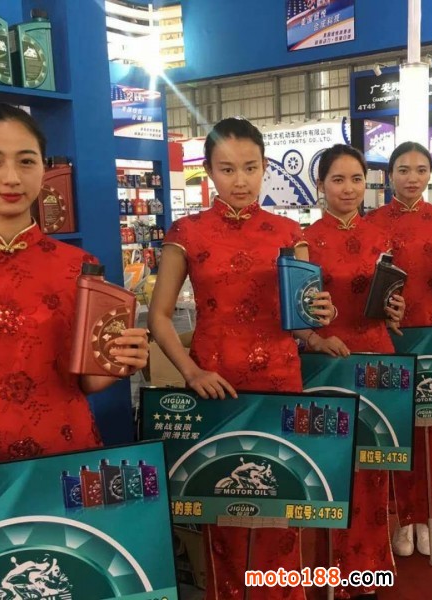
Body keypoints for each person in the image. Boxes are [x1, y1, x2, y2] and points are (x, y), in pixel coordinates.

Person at [148, 117, 336, 600]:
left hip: (279, 380)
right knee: (223, 507)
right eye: (227, 169)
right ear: (209, 170)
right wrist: (190, 371)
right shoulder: (187, 232)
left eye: (250, 167)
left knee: (282, 498)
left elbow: (303, 314)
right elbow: (159, 316)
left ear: (264, 166)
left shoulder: (288, 230)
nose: (240, 180)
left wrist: (320, 319)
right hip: (216, 384)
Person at [0, 103, 149, 477]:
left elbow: (84, 381)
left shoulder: (80, 266)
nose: (12, 177)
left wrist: (119, 362)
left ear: (44, 168)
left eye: (26, 161)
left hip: (70, 455)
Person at [303, 144, 406, 599]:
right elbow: (297, 311)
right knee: (329, 469)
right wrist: (314, 338)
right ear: (321, 185)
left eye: (357, 179)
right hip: (328, 360)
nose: (349, 189)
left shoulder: (381, 237)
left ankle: (366, 569)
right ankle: (328, 571)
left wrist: (396, 310)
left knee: (373, 468)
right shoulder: (305, 241)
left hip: (377, 356)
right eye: (338, 180)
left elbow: (390, 301)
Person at [365, 141, 432, 558]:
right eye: (403, 170)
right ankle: (403, 518)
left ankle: (430, 516)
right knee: (396, 430)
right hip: (388, 337)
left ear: (430, 174)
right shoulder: (372, 223)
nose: (412, 178)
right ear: (390, 174)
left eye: (420, 170)